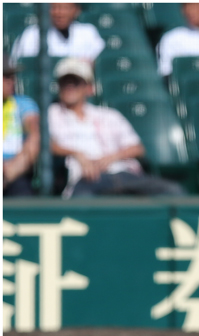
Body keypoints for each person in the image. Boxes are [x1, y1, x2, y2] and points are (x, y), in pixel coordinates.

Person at [48, 58, 184, 199]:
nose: (69, 88)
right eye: (65, 83)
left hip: (123, 173)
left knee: (173, 190)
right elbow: (43, 144)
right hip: (85, 178)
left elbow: (137, 148)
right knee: (83, 201)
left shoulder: (108, 114)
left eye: (75, 83)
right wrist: (77, 154)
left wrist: (112, 157)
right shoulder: (51, 114)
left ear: (88, 88)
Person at [10, 2, 105, 63]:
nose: (59, 13)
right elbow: (22, 68)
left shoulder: (88, 32)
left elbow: (100, 63)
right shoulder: (32, 35)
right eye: (54, 7)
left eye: (65, 8)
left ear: (76, 10)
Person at [3, 54, 40, 197]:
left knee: (36, 138)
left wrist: (9, 171)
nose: (11, 81)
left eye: (12, 76)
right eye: (5, 76)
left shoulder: (23, 103)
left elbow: (34, 129)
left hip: (15, 170)